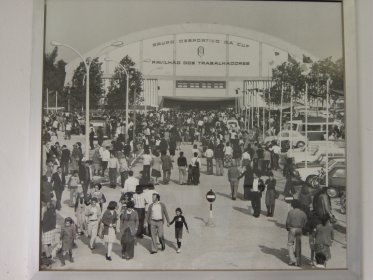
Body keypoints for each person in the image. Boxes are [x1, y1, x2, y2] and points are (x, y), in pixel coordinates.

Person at [286, 200, 308, 266]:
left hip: (292, 229)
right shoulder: (303, 213)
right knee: (298, 244)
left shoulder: (290, 212)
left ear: (293, 205)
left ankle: (292, 260)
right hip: (300, 229)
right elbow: (305, 223)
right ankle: (298, 261)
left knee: (290, 244)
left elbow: (287, 222)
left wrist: (287, 227)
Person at [41, 202, 56, 266]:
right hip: (52, 230)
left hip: (46, 230)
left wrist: (42, 214)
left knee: (45, 243)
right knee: (49, 243)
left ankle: (48, 257)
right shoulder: (54, 213)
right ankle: (50, 255)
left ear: (48, 207)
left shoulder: (46, 213)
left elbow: (42, 221)